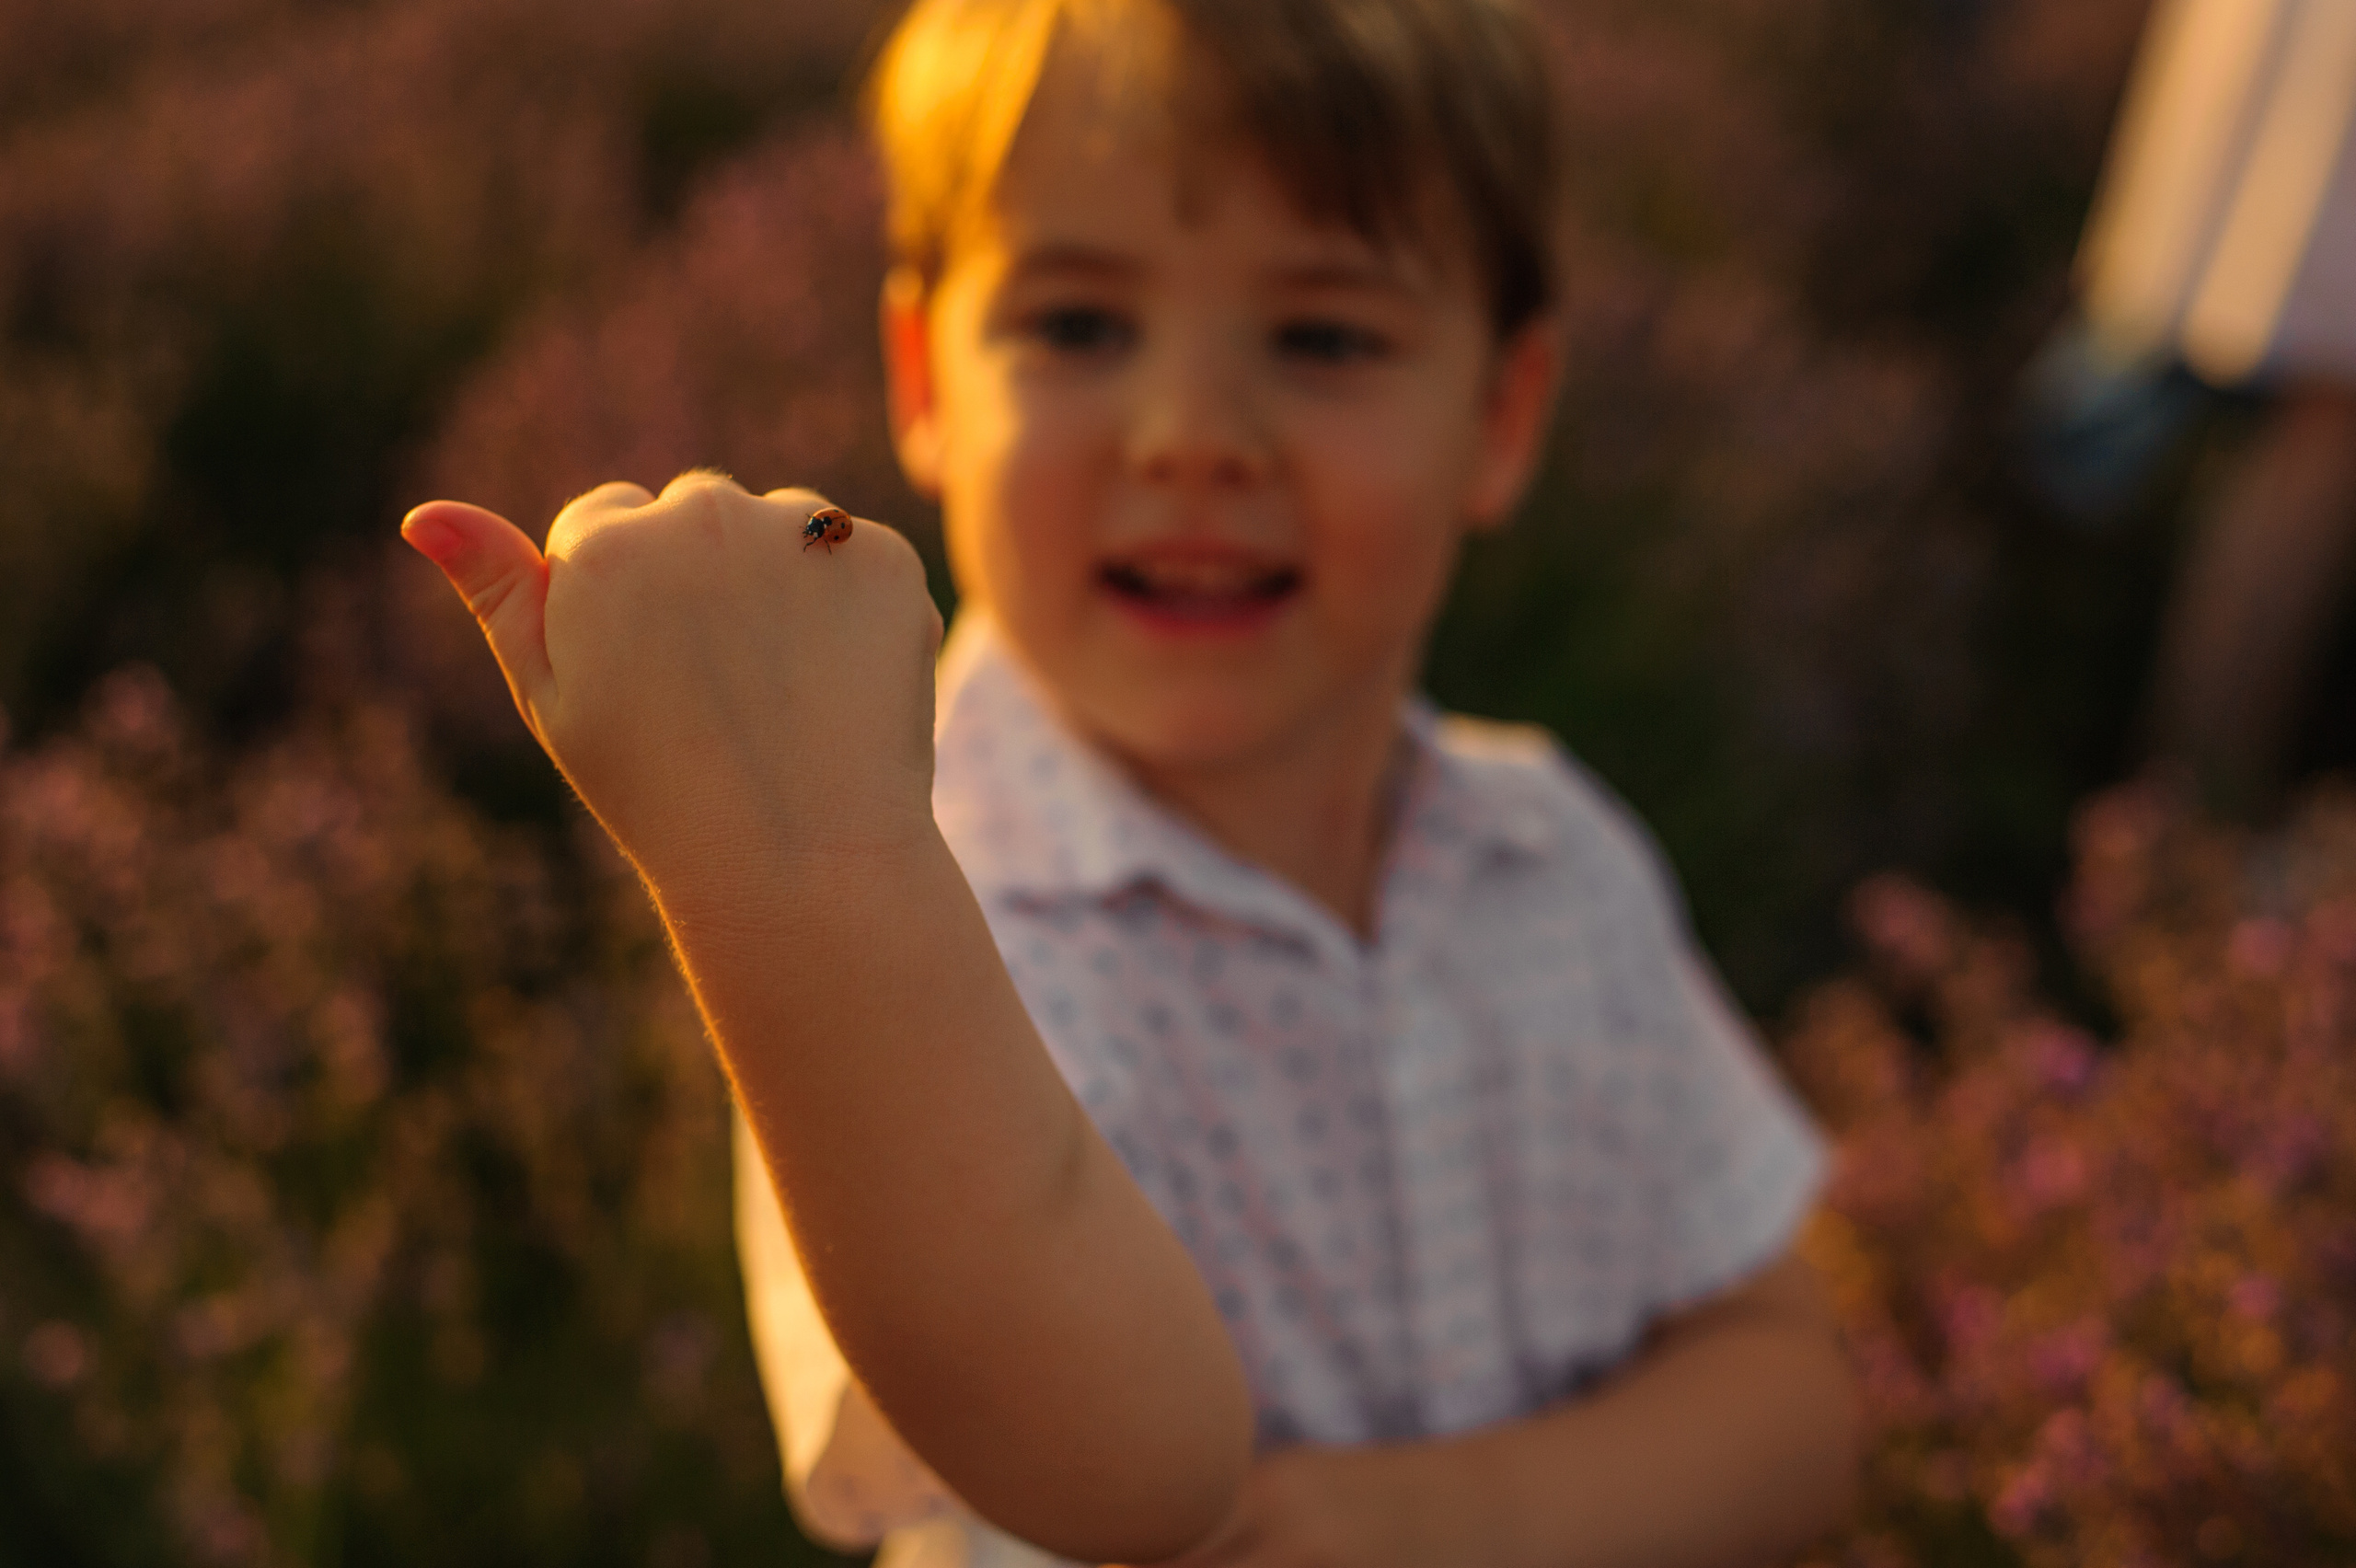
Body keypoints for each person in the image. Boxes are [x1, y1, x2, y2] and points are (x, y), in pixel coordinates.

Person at [399, 0, 1860, 1562]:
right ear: (926, 375)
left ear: (1499, 418)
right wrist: (779, 854)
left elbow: (1796, 1397)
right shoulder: (912, 926)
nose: (1190, 437)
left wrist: (1425, 1528)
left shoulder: (1554, 861)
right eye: (1080, 327)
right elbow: (1131, 1480)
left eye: (1324, 337)